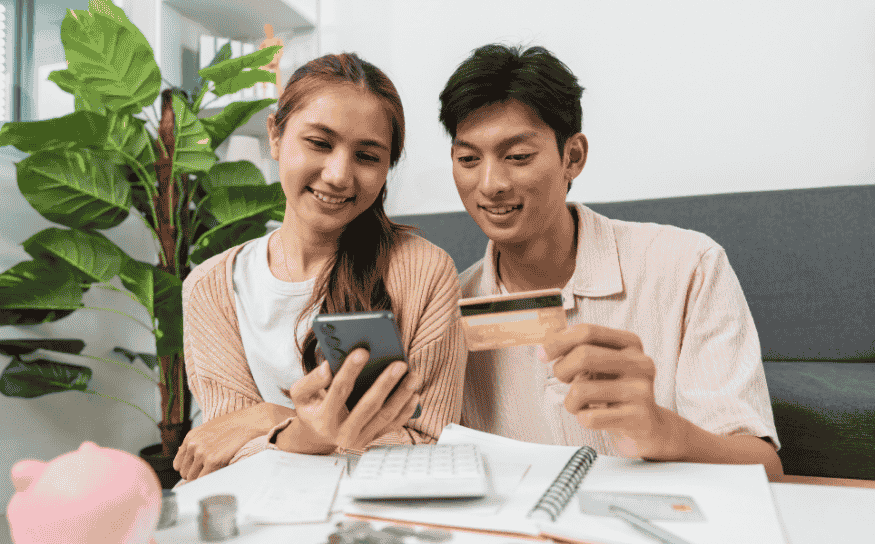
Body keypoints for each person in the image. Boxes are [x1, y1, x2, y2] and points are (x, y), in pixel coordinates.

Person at [438, 44, 783, 478]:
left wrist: (660, 430)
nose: (490, 184)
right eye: (468, 159)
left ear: (573, 157)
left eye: (518, 156)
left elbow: (766, 468)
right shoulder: (450, 307)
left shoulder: (690, 266)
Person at [175, 53, 466, 481]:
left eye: (367, 156)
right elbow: (225, 450)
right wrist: (306, 428)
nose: (338, 175)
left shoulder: (425, 272)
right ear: (275, 135)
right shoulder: (210, 286)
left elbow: (428, 440)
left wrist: (268, 419)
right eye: (319, 143)